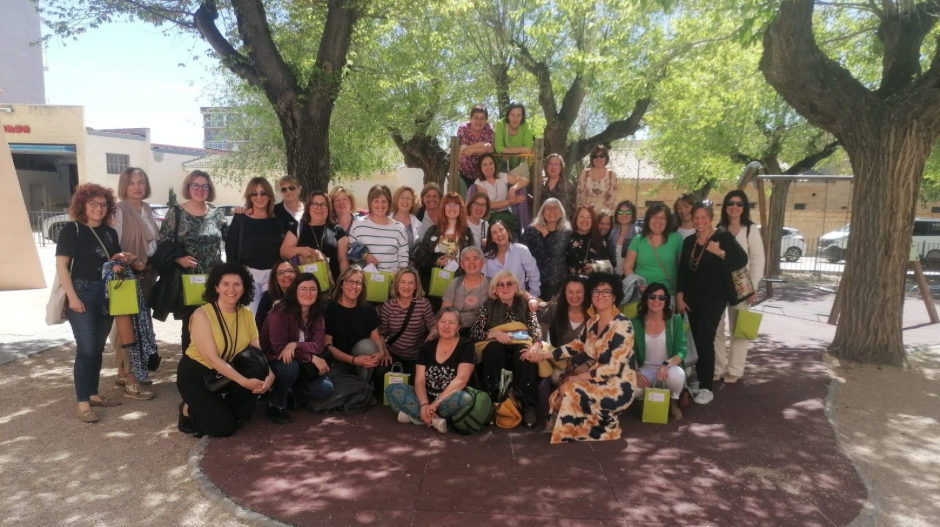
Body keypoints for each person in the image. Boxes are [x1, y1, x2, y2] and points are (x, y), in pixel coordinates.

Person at [57, 183, 143, 422]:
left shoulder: (109, 233)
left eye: (103, 204)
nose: (98, 208)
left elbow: (112, 262)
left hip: (106, 294)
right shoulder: (71, 230)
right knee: (85, 348)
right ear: (82, 205)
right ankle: (83, 401)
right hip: (81, 293)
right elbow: (62, 267)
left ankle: (93, 393)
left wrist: (118, 264)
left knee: (96, 346)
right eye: (93, 204)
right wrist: (72, 298)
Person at [523, 272, 638, 443]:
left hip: (617, 384)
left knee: (567, 389)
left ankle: (599, 426)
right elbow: (576, 345)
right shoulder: (593, 321)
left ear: (614, 296)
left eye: (606, 292)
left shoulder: (622, 325)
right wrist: (544, 355)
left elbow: (613, 368)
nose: (600, 296)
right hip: (596, 377)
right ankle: (580, 425)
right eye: (596, 292)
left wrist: (577, 377)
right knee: (561, 394)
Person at [176, 263, 275, 437]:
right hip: (197, 376)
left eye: (237, 284)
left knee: (258, 367)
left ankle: (221, 408)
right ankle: (187, 409)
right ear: (216, 287)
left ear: (244, 288)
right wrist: (244, 382)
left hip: (225, 373)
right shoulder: (202, 314)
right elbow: (212, 359)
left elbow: (257, 348)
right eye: (226, 284)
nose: (232, 289)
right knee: (223, 428)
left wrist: (270, 373)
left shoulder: (245, 313)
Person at [677, 201, 748, 405]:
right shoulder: (689, 241)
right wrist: (680, 296)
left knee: (704, 339)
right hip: (692, 298)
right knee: (693, 339)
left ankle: (706, 386)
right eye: (696, 217)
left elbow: (741, 259)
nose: (699, 221)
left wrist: (720, 252)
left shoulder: (723, 237)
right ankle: (696, 380)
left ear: (711, 217)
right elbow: (683, 270)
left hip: (714, 298)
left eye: (703, 217)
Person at [156, 170, 228, 352]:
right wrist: (178, 258)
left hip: (215, 281)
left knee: (216, 325)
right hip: (189, 280)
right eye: (195, 185)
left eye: (204, 185)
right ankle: (191, 371)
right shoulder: (176, 213)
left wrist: (245, 212)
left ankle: (214, 371)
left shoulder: (217, 213)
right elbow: (162, 243)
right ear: (188, 187)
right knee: (191, 327)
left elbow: (231, 237)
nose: (200, 189)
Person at [470, 270, 543, 427]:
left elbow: (535, 327)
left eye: (509, 283)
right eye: (500, 284)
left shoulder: (523, 305)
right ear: (495, 289)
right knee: (493, 349)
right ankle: (492, 403)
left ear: (516, 287)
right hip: (497, 348)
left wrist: (537, 344)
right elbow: (475, 333)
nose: (505, 287)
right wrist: (494, 333)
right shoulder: (488, 306)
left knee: (524, 351)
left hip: (520, 344)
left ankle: (528, 405)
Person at [109, 167, 159, 399]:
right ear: (124, 186)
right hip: (126, 275)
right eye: (132, 183)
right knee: (125, 326)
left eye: (141, 182)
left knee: (140, 324)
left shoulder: (147, 208)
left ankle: (124, 372)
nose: (137, 186)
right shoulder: (119, 210)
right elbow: (113, 247)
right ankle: (130, 379)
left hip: (147, 275)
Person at [385, 308, 475, 434]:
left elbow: (461, 380)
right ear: (437, 324)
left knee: (464, 398)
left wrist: (437, 402)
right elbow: (420, 380)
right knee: (391, 390)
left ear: (459, 327)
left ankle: (416, 417)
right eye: (442, 321)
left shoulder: (466, 346)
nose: (446, 326)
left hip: (448, 399)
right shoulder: (427, 347)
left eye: (452, 322)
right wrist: (424, 404)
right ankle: (434, 420)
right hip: (426, 397)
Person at [259, 273, 333, 424]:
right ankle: (276, 405)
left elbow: (319, 345)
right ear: (294, 291)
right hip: (275, 361)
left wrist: (295, 345)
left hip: (300, 364)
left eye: (313, 289)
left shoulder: (317, 314)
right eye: (303, 289)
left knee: (326, 389)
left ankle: (289, 392)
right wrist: (311, 357)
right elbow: (279, 349)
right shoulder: (279, 312)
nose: (308, 293)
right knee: (289, 367)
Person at [713, 190, 765, 384]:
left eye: (739, 204)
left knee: (738, 328)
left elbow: (758, 260)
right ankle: (717, 367)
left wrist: (753, 287)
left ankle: (735, 369)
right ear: (725, 207)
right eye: (730, 203)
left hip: (742, 284)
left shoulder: (751, 229)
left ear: (744, 207)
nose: (734, 207)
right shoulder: (719, 228)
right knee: (716, 329)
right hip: (719, 284)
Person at [324, 266, 391, 390]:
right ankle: (360, 390)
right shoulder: (329, 309)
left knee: (367, 345)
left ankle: (362, 387)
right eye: (350, 281)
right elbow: (328, 345)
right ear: (341, 284)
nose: (354, 286)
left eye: (358, 282)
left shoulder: (367, 308)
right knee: (326, 385)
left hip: (364, 358)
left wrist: (381, 353)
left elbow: (375, 337)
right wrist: (354, 360)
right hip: (340, 360)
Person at [226, 177, 284, 315]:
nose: (259, 197)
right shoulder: (240, 219)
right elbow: (231, 249)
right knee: (251, 315)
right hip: (250, 275)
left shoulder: (278, 221)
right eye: (254, 193)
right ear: (249, 197)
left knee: (276, 316)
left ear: (269, 195)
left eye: (263, 193)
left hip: (273, 276)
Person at [630, 282, 687, 421]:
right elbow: (629, 353)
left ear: (666, 301)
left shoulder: (675, 321)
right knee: (630, 386)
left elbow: (681, 351)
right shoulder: (634, 323)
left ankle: (672, 402)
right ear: (646, 299)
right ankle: (644, 400)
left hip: (668, 369)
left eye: (661, 298)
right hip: (645, 370)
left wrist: (666, 364)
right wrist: (636, 372)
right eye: (652, 296)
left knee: (678, 375)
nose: (657, 301)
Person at [379, 268, 436, 381]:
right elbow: (381, 333)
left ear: (415, 286)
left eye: (411, 283)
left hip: (416, 356)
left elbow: (433, 326)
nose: (406, 286)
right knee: (380, 375)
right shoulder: (388, 306)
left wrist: (433, 333)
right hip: (393, 353)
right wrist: (384, 351)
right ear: (396, 284)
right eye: (403, 282)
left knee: (416, 382)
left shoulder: (423, 304)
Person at [413, 192, 475, 292]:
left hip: (459, 285)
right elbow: (420, 256)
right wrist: (435, 261)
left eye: (455, 205)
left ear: (461, 208)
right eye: (448, 205)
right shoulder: (432, 230)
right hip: (434, 284)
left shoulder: (467, 232)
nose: (452, 208)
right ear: (443, 208)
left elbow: (473, 258)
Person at [280, 191, 349, 281]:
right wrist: (299, 250)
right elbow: (283, 252)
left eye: (323, 204)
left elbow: (343, 259)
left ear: (328, 208)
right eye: (315, 204)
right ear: (308, 208)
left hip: (332, 284)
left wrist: (344, 281)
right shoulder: (298, 228)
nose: (319, 208)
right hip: (305, 286)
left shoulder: (337, 230)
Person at [624, 203, 684, 295]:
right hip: (642, 294)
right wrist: (637, 284)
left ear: (668, 220)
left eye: (662, 217)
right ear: (648, 219)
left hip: (667, 294)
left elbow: (683, 269)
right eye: (654, 217)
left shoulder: (676, 239)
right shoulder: (638, 240)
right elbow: (627, 266)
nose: (658, 221)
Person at [348, 185, 409, 272]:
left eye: (384, 201)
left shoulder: (399, 228)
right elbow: (351, 249)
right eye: (376, 201)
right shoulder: (357, 225)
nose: (380, 205)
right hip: (364, 282)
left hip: (391, 281)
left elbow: (403, 258)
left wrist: (398, 279)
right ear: (370, 202)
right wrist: (365, 256)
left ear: (389, 203)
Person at [522, 198, 571, 300]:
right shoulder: (533, 230)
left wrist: (545, 232)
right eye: (548, 208)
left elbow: (555, 250)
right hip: (536, 280)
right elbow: (521, 249)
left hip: (558, 281)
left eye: (555, 208)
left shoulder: (566, 231)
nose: (552, 211)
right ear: (543, 213)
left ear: (561, 213)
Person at [483, 221, 541, 299]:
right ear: (492, 239)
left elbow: (534, 275)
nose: (499, 234)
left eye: (501, 230)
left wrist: (533, 298)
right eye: (494, 233)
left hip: (519, 299)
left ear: (508, 232)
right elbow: (484, 283)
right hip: (496, 302)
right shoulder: (486, 257)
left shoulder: (521, 250)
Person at [471, 153, 527, 234]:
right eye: (485, 165)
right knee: (499, 225)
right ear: (480, 168)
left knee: (513, 225)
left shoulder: (502, 176)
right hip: (489, 216)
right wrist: (510, 201)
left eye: (491, 163)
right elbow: (489, 205)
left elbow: (524, 180)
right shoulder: (479, 182)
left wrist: (512, 189)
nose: (488, 167)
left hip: (505, 213)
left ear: (495, 165)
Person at [442, 246, 489, 338]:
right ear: (462, 265)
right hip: (458, 329)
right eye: (467, 259)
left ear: (482, 263)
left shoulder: (491, 283)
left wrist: (526, 297)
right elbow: (445, 311)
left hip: (483, 328)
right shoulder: (455, 283)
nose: (471, 262)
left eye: (475, 258)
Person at [457, 105, 495, 192]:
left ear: (486, 120)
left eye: (482, 118)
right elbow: (463, 151)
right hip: (464, 172)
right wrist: (480, 145)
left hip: (483, 174)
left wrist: (470, 149)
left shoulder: (489, 129)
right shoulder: (463, 128)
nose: (479, 121)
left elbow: (489, 150)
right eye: (476, 118)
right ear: (470, 119)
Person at [566, 206, 611, 275]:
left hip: (592, 283)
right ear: (576, 219)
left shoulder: (600, 241)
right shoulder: (567, 238)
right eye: (581, 216)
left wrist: (594, 267)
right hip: (571, 283)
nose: (585, 220)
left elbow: (607, 265)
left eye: (589, 217)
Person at [494, 102, 534, 176]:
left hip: (520, 165)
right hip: (503, 163)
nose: (515, 119)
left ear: (522, 116)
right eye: (512, 115)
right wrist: (520, 151)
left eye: (518, 115)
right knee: (503, 184)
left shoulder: (526, 125)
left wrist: (509, 150)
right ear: (508, 115)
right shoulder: (500, 124)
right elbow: (498, 148)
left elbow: (528, 149)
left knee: (519, 186)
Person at [255, 259, 297, 329]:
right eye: (280, 273)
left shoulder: (304, 294)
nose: (286, 275)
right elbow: (258, 325)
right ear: (275, 278)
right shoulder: (268, 296)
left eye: (290, 271)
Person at [577, 145, 617, 212]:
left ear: (606, 158)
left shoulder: (612, 175)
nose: (598, 159)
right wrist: (586, 214)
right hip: (586, 214)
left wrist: (602, 216)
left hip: (604, 215)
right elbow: (580, 196)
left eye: (602, 156)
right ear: (592, 159)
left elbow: (611, 199)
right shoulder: (584, 173)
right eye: (595, 156)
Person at [608, 200, 640, 275]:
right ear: (617, 216)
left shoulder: (638, 234)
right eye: (620, 212)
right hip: (614, 276)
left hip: (632, 275)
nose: (624, 215)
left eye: (628, 212)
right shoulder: (612, 233)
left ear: (633, 216)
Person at [541, 153, 576, 219]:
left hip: (563, 224)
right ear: (546, 167)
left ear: (561, 168)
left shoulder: (568, 185)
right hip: (545, 224)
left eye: (556, 164)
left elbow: (573, 209)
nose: (553, 167)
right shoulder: (542, 184)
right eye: (550, 164)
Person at [390, 186, 423, 253]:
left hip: (409, 262)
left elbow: (421, 249)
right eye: (402, 197)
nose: (405, 201)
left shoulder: (419, 224)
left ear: (413, 202)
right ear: (397, 199)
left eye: (409, 198)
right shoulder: (386, 219)